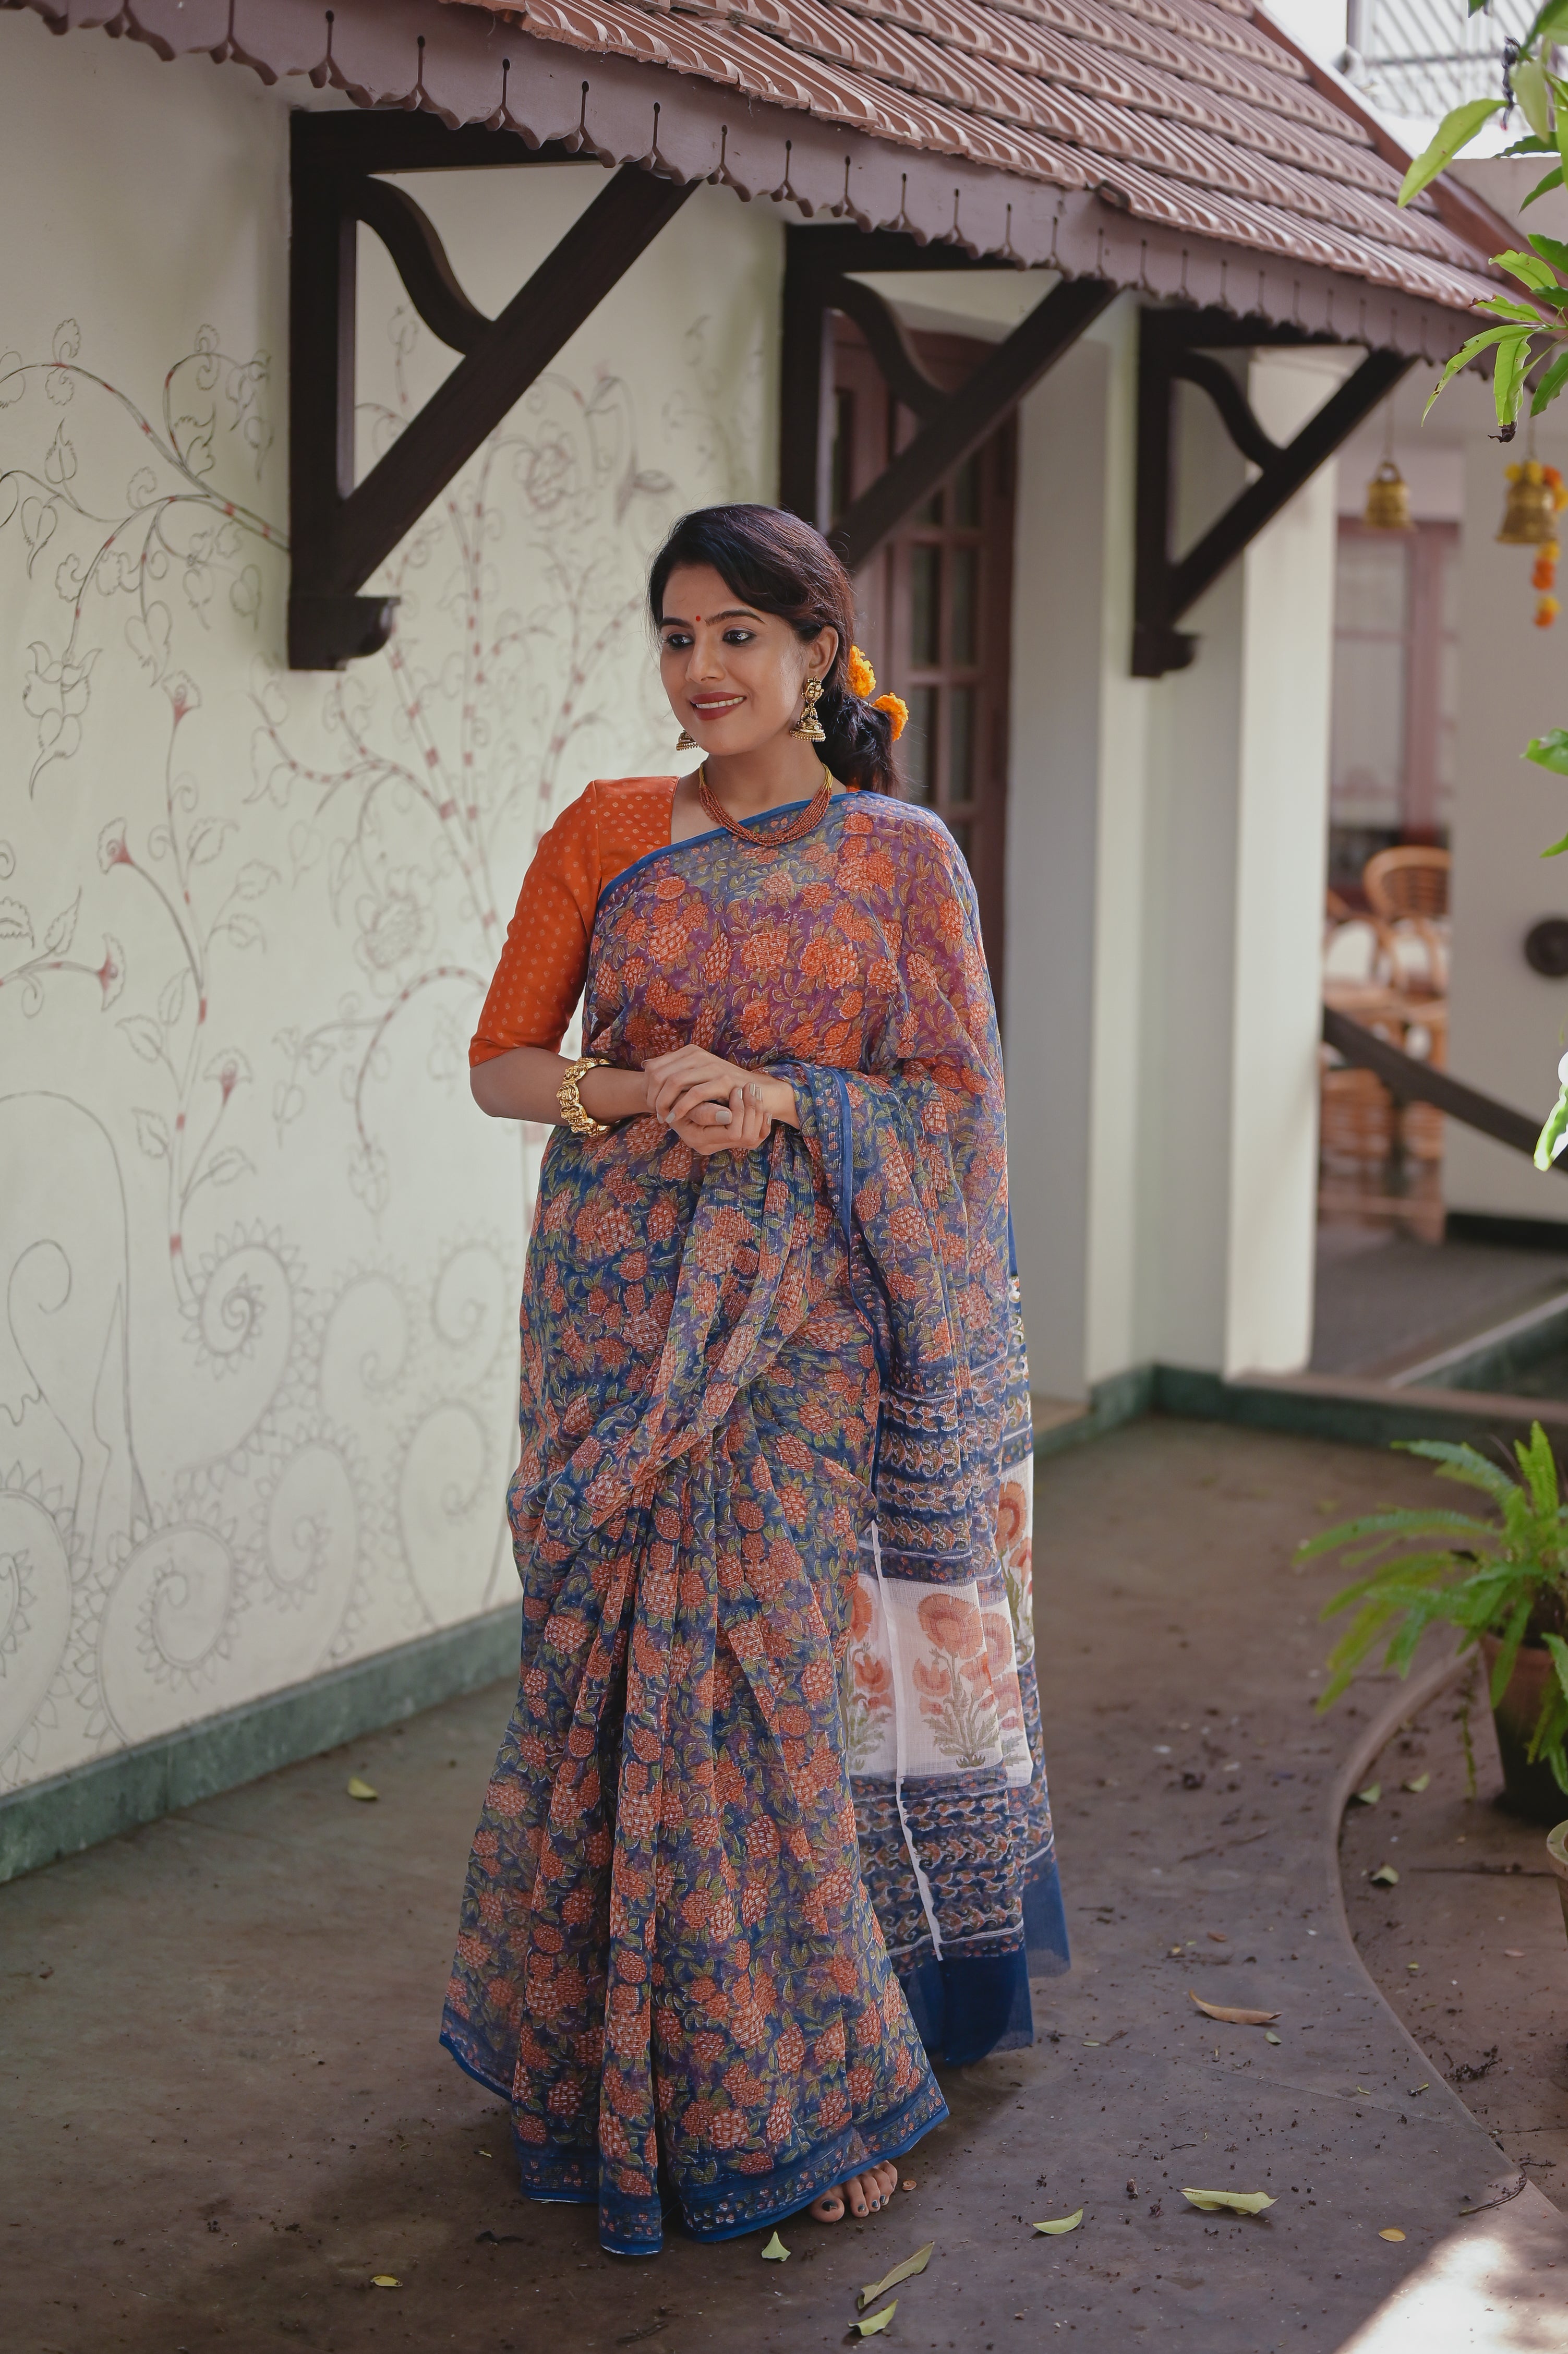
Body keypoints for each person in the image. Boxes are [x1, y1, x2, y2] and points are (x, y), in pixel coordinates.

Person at [441, 504, 1067, 2258]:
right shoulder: (607, 832)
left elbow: (956, 1110)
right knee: (603, 1682)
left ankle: (805, 2082)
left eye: (735, 635)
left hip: (797, 1322)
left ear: (815, 652)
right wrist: (650, 1093)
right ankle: (599, 2065)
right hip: (613, 1315)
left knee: (765, 1681)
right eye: (673, 635)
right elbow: (502, 1065)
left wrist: (788, 1099)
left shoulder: (903, 858)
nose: (700, 669)